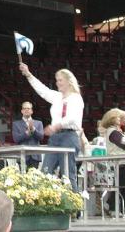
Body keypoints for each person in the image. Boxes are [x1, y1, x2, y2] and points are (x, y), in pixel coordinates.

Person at [19, 63, 84, 192]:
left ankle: (75, 211)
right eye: (56, 80)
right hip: (55, 138)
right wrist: (29, 74)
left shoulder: (76, 98)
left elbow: (73, 118)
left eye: (60, 80)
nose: (57, 83)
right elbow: (43, 90)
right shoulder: (57, 97)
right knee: (45, 172)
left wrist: (56, 126)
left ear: (69, 81)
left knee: (67, 175)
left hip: (68, 136)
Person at [100, 108, 125, 213]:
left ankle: (117, 207)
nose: (121, 120)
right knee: (121, 187)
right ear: (113, 119)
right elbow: (123, 144)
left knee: (122, 187)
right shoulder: (112, 132)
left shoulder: (115, 131)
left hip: (122, 162)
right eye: (118, 117)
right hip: (118, 163)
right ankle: (114, 207)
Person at [12, 101, 44, 169]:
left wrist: (34, 130)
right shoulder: (16, 124)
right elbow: (16, 139)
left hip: (35, 156)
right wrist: (26, 133)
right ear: (22, 111)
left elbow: (41, 137)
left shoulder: (39, 123)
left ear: (32, 111)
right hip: (22, 156)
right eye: (24, 108)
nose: (26, 110)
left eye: (28, 108)